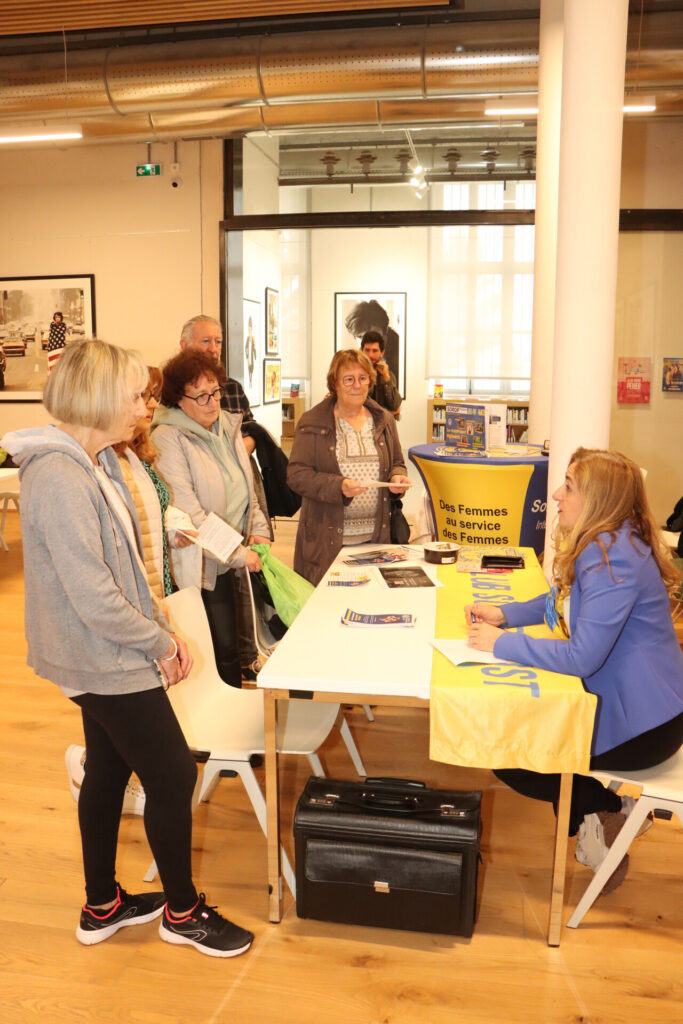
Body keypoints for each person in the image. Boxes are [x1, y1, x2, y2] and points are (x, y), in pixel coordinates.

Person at [1, 340, 253, 958]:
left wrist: (154, 629)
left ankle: (102, 905)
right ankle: (182, 911)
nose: (145, 408)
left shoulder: (92, 462)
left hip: (101, 650)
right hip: (101, 654)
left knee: (109, 768)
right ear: (97, 398)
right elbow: (94, 595)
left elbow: (121, 569)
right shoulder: (60, 475)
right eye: (134, 396)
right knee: (170, 773)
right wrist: (160, 640)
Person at [466, 447, 683, 892]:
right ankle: (607, 813)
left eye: (569, 486)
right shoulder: (611, 540)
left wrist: (503, 643)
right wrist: (506, 615)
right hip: (644, 711)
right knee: (515, 740)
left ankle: (605, 813)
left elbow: (582, 658)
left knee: (507, 749)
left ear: (598, 498)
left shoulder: (609, 556)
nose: (558, 495)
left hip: (644, 727)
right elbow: (560, 601)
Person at [153, 349, 272, 685]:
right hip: (203, 564)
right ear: (179, 400)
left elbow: (249, 487)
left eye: (215, 392)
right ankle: (224, 728)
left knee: (237, 642)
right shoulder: (167, 438)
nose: (212, 402)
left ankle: (236, 715)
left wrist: (259, 530)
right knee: (220, 649)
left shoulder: (226, 428)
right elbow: (192, 517)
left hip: (236, 554)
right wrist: (238, 555)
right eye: (201, 395)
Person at [287, 348, 410, 586]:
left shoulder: (384, 420)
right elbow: (296, 475)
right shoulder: (312, 422)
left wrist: (398, 478)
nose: (357, 385)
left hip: (376, 543)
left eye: (363, 378)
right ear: (335, 384)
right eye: (349, 379)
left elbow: (397, 463)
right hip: (328, 543)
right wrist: (338, 486)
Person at [344, 298, 400, 386]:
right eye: (361, 337)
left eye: (373, 336)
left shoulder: (401, 356)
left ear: (385, 332)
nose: (367, 343)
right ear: (355, 337)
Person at [360, 330, 402, 415]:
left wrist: (386, 378)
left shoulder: (388, 375)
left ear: (382, 353)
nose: (370, 355)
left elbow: (395, 405)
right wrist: (389, 413)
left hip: (384, 427)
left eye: (375, 351)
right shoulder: (355, 375)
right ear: (361, 351)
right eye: (367, 350)